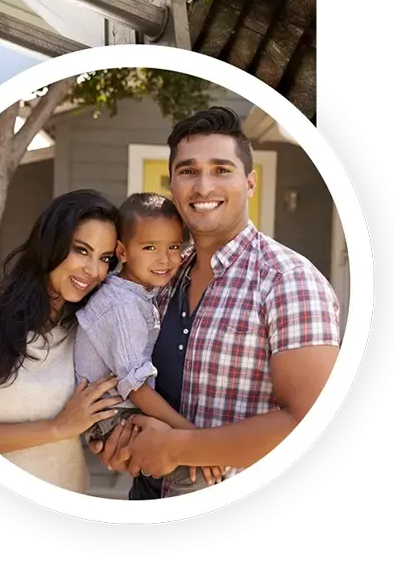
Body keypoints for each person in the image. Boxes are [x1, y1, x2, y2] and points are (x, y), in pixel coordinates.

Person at [90, 107, 341, 499]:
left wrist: (178, 447)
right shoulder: (165, 276)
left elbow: (312, 423)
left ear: (250, 183)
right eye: (188, 171)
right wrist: (122, 439)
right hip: (146, 493)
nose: (203, 186)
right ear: (172, 185)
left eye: (221, 169)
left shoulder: (287, 279)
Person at [0, 190, 124, 494]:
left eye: (105, 258)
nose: (94, 270)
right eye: (82, 250)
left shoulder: (87, 332)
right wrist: (57, 428)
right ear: (50, 244)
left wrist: (108, 439)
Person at [74, 192, 223, 494]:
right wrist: (192, 435)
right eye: (150, 247)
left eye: (173, 247)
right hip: (109, 415)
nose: (165, 259)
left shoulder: (140, 291)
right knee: (191, 470)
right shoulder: (121, 306)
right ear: (123, 252)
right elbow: (137, 387)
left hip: (123, 406)